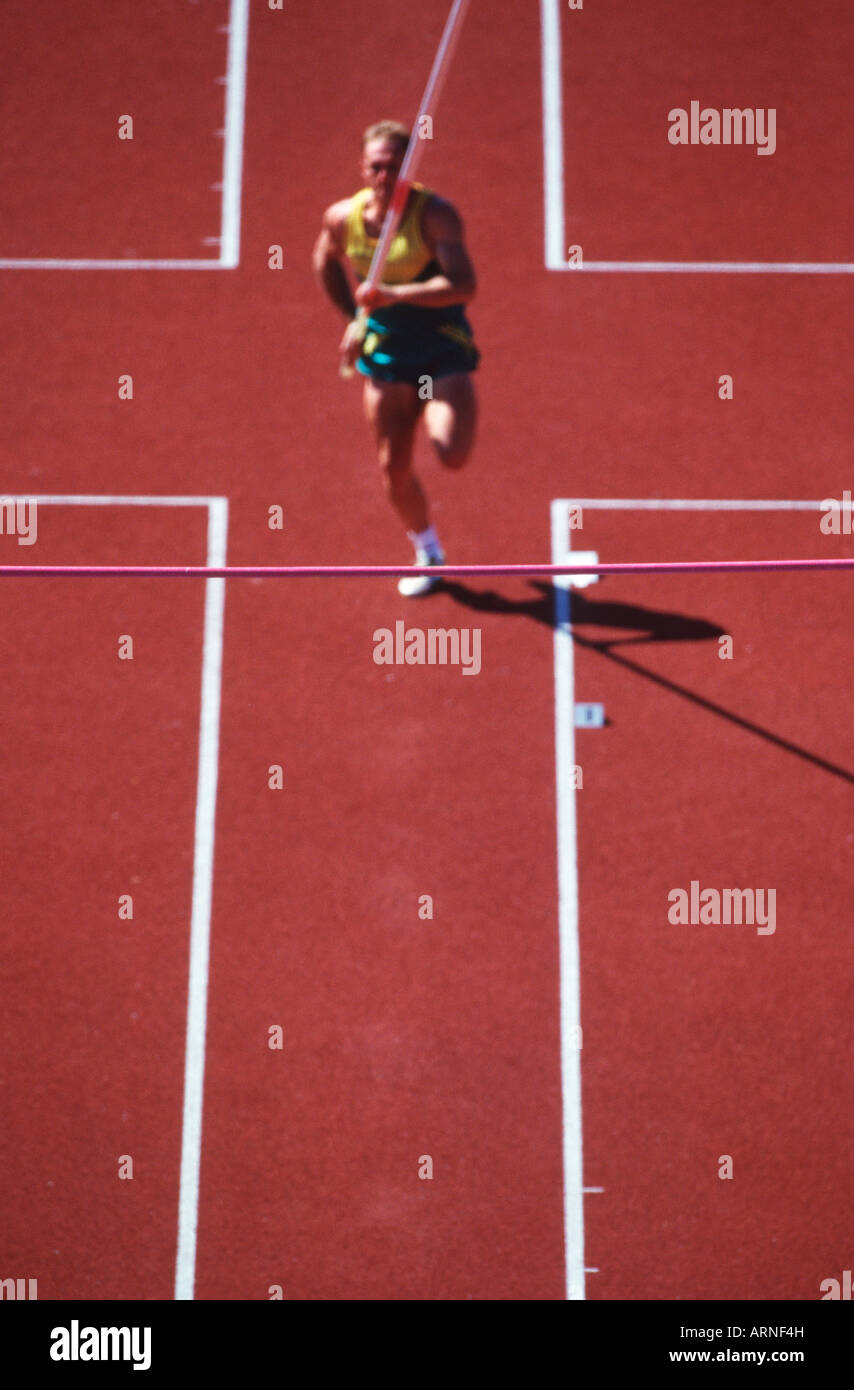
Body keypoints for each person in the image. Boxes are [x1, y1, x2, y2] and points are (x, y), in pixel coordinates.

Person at [313, 120, 480, 596]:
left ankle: (432, 407)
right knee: (394, 467)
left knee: (451, 452)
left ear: (409, 166)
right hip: (386, 351)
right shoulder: (344, 217)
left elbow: (465, 284)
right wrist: (353, 317)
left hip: (440, 346)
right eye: (376, 166)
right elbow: (324, 259)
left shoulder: (435, 216)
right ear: (363, 168)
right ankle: (428, 551)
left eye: (393, 167)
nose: (384, 176)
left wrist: (392, 293)